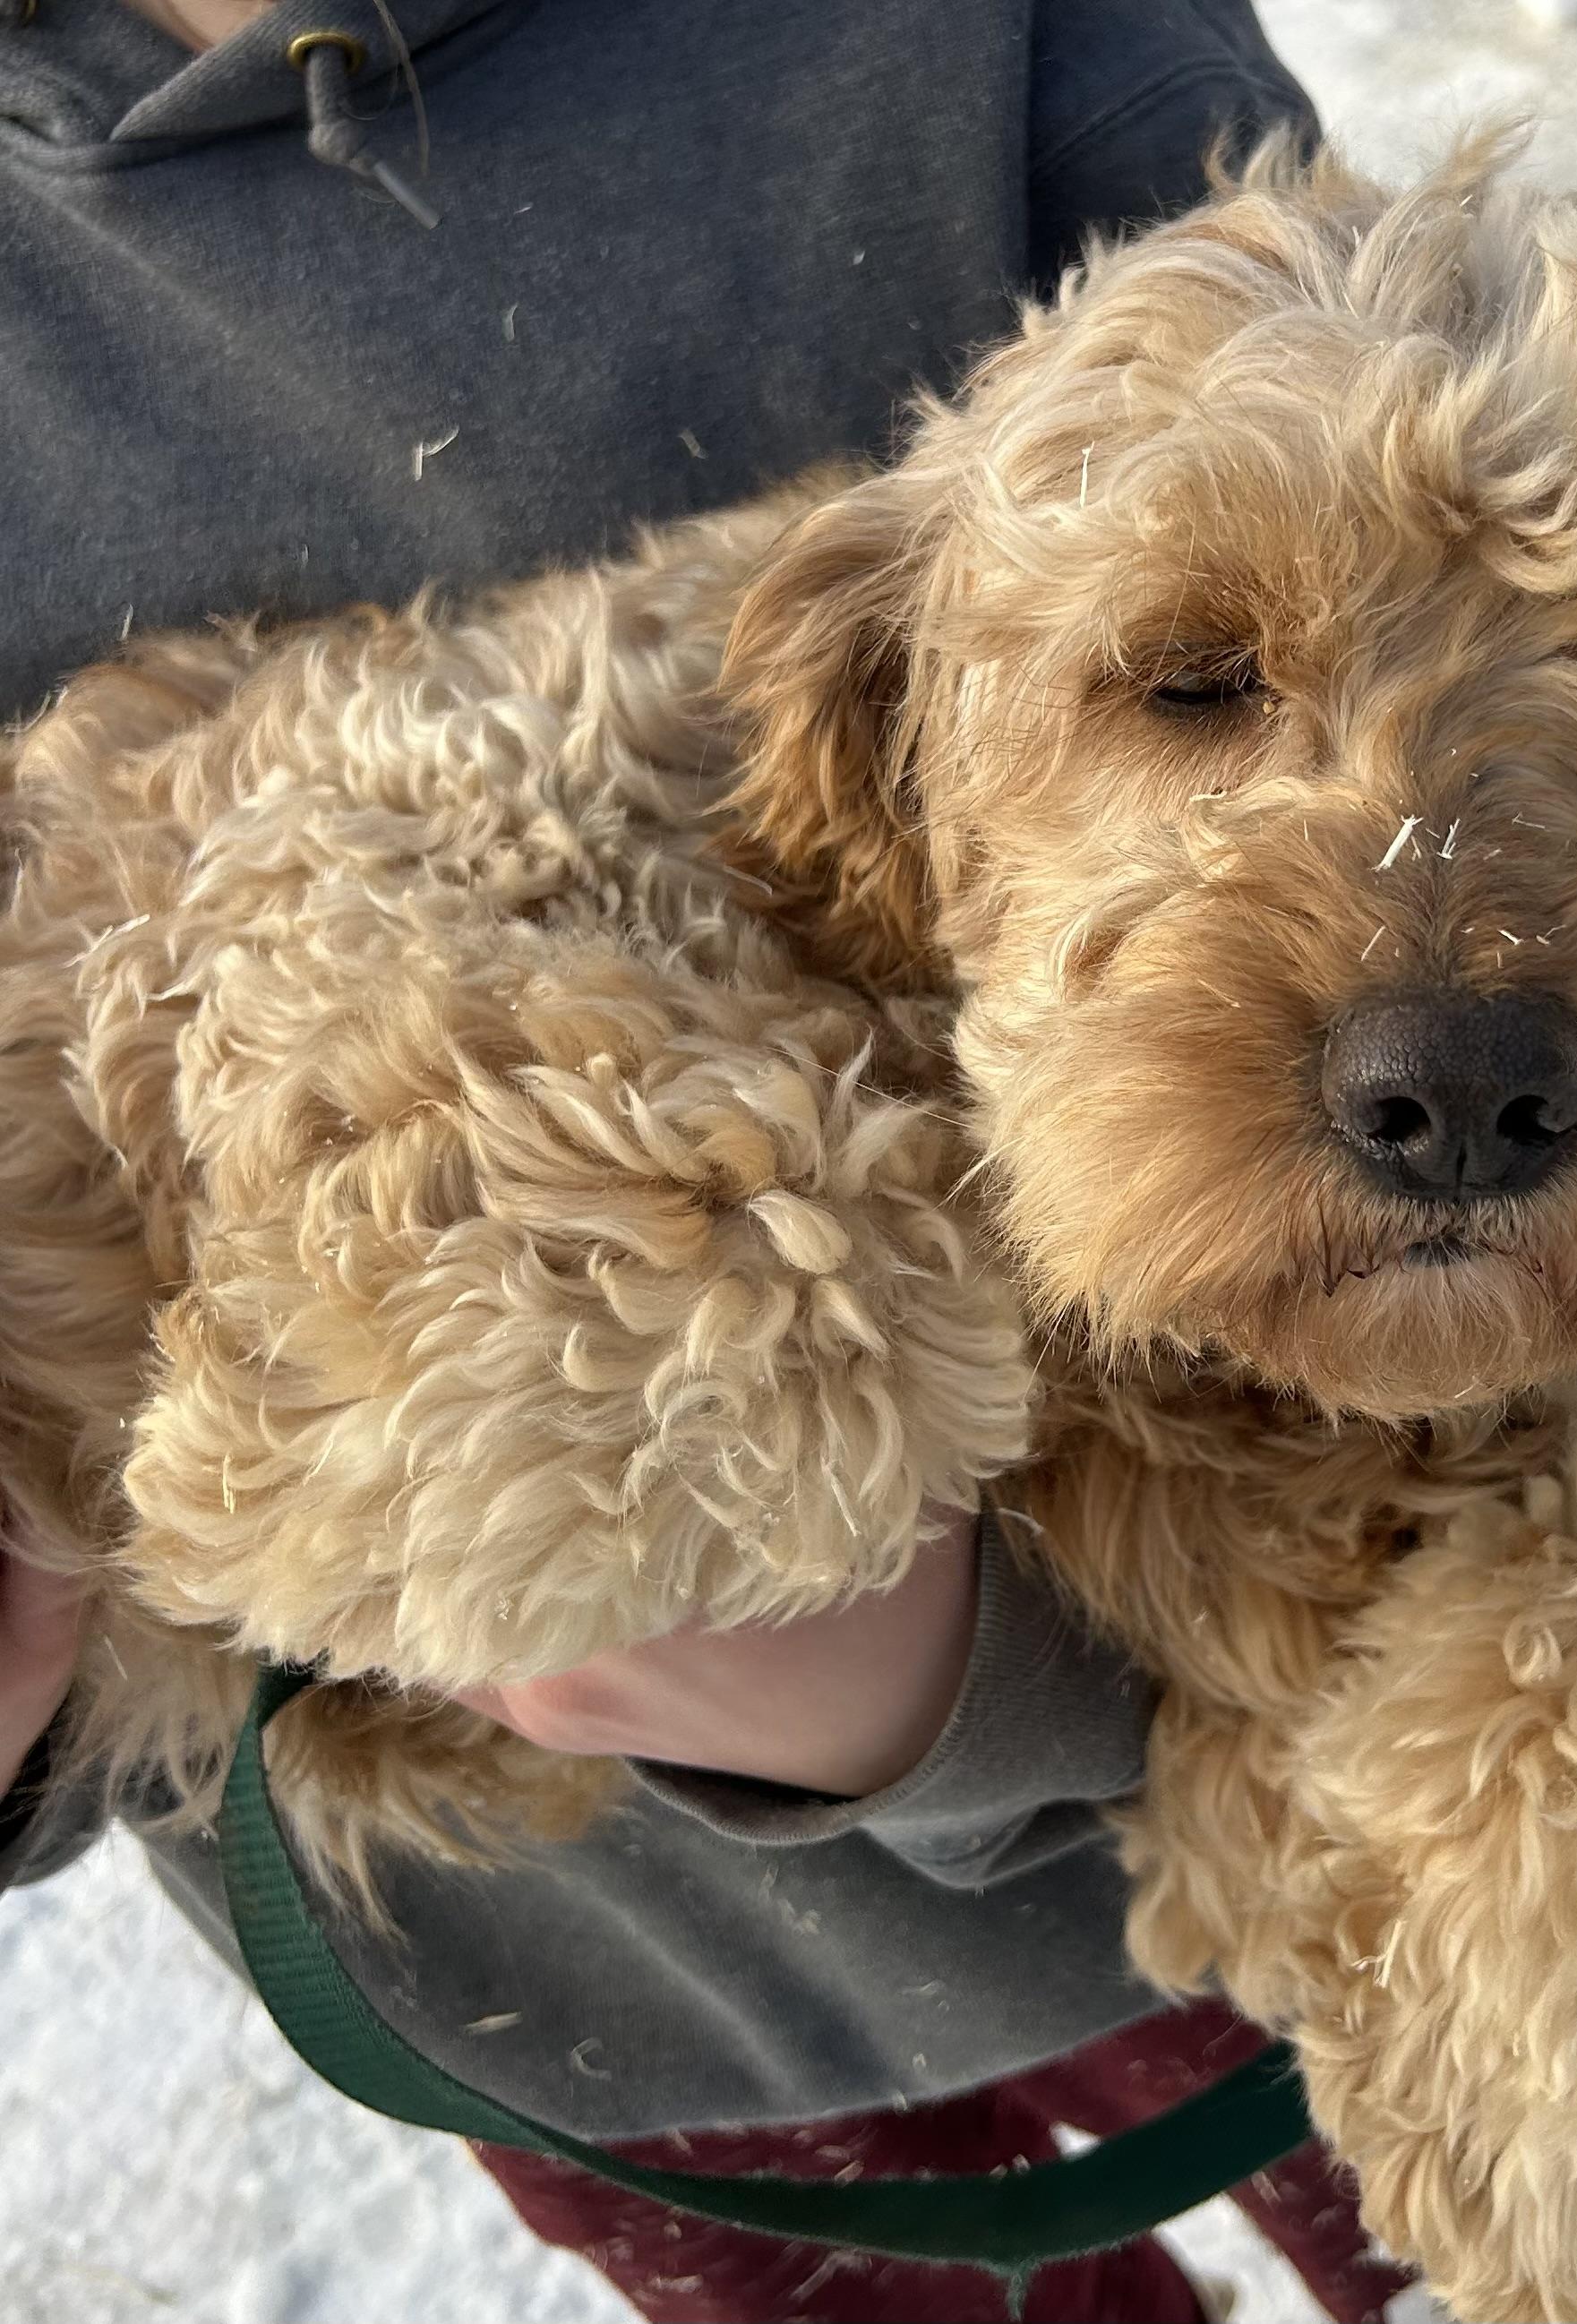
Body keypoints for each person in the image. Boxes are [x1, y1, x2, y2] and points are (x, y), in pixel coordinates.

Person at [0, 4, 1413, 2316]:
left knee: (1496, 2228)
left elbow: (1493, 893)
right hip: (560, 1982)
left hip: (1245, 1766)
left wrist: (975, 1676)